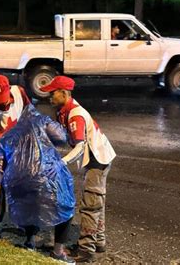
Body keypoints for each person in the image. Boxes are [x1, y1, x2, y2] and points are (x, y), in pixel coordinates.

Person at [40, 76, 116, 263]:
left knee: (91, 204)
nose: (49, 96)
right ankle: (98, 243)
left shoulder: (75, 114)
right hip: (98, 157)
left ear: (64, 93)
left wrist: (61, 163)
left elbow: (79, 147)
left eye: (53, 93)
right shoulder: (64, 111)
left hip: (98, 160)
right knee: (96, 202)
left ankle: (86, 251)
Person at [0, 104, 75, 264]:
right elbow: (62, 138)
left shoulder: (8, 137)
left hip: (19, 185)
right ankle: (58, 252)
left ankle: (30, 242)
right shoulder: (42, 122)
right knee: (65, 207)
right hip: (46, 179)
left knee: (29, 209)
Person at [0, 74, 30, 237]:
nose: (3, 105)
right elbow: (0, 149)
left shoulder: (19, 92)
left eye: (4, 100)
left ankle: (25, 223)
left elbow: (29, 113)